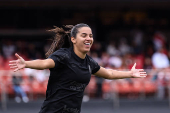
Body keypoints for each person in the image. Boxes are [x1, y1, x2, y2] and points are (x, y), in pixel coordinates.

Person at [9, 23, 147, 113]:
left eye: (91, 36)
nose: (89, 38)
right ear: (73, 39)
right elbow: (45, 63)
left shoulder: (89, 62)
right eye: (84, 35)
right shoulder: (63, 55)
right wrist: (26, 63)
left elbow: (109, 73)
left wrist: (129, 73)